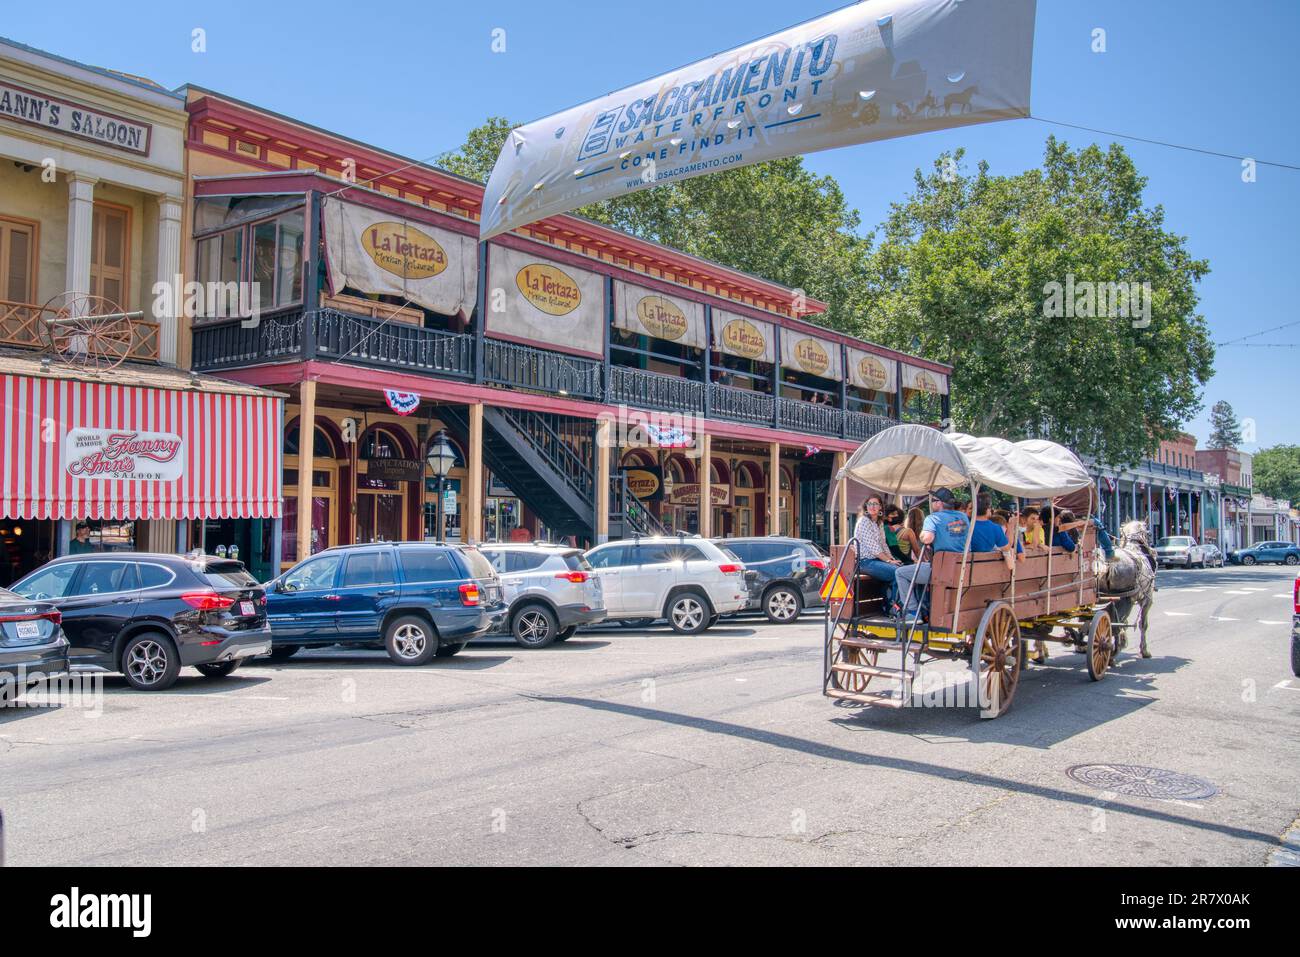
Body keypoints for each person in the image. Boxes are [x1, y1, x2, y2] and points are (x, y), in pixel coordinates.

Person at [893, 488, 970, 620]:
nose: (932, 503)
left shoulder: (933, 518)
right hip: (961, 569)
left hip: (941, 571)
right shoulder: (963, 517)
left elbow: (927, 538)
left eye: (933, 501)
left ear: (939, 503)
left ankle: (912, 612)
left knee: (900, 573)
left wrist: (922, 535)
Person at [853, 495, 901, 602]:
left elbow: (883, 545)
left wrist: (892, 559)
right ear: (866, 506)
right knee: (898, 572)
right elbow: (874, 549)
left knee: (902, 569)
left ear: (880, 507)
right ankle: (892, 606)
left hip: (876, 561)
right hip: (864, 562)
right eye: (870, 504)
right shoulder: (864, 521)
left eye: (875, 504)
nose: (872, 506)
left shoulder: (878, 523)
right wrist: (888, 561)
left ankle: (889, 603)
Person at [970, 494, 1018, 569]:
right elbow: (1007, 547)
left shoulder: (967, 524)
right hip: (986, 566)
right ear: (988, 509)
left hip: (968, 564)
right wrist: (1011, 526)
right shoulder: (995, 528)